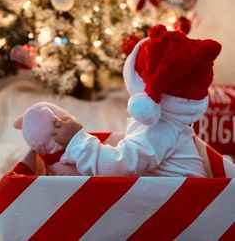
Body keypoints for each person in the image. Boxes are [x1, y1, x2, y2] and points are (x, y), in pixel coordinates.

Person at [53, 24, 221, 177]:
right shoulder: (168, 124)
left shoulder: (159, 130)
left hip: (185, 202)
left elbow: (117, 166)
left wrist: (77, 140)